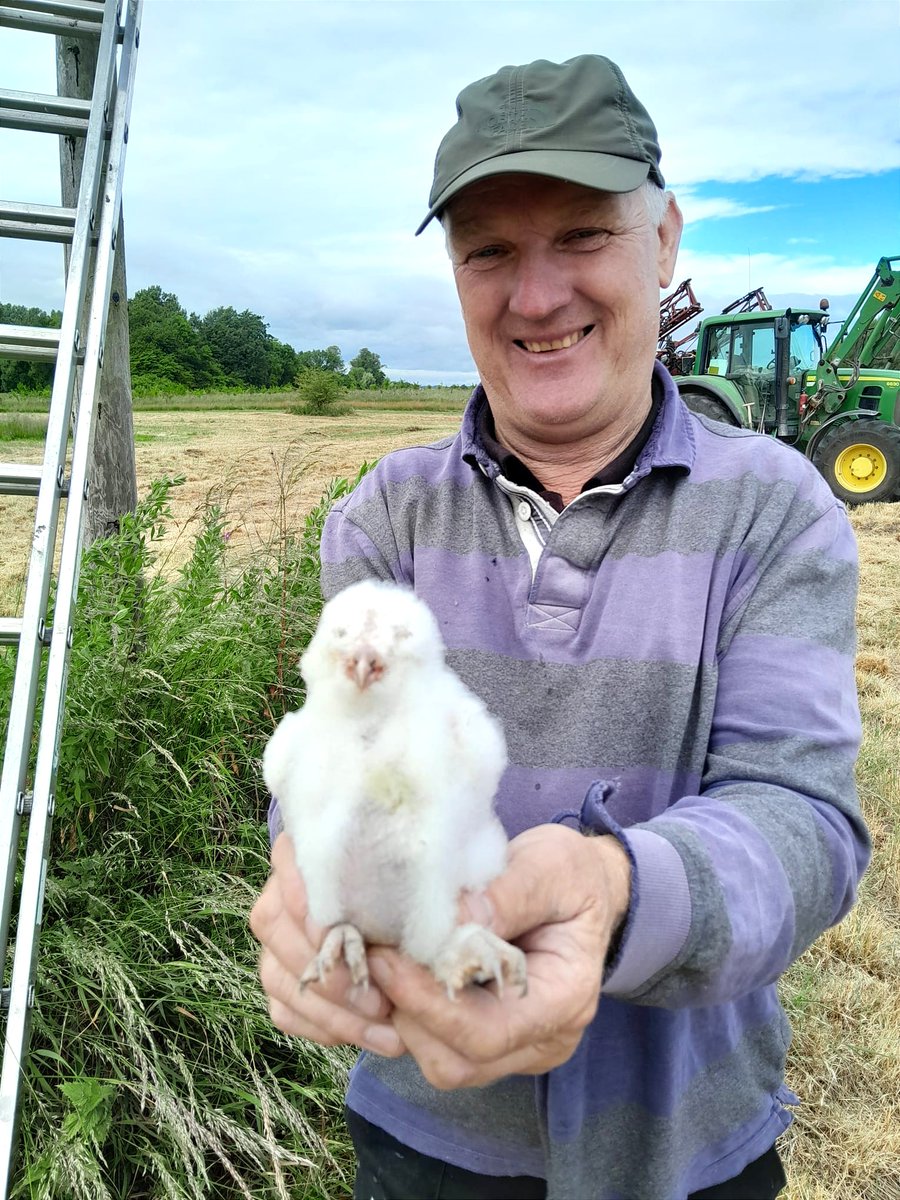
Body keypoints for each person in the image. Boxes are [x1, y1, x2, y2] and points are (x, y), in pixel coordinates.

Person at [250, 54, 870, 1200]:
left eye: (582, 235)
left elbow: (806, 823)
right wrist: (303, 868)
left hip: (688, 1140)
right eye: (489, 249)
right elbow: (328, 751)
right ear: (454, 272)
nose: (535, 297)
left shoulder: (781, 510)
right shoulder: (384, 519)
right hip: (426, 1127)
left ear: (665, 240)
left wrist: (616, 889)